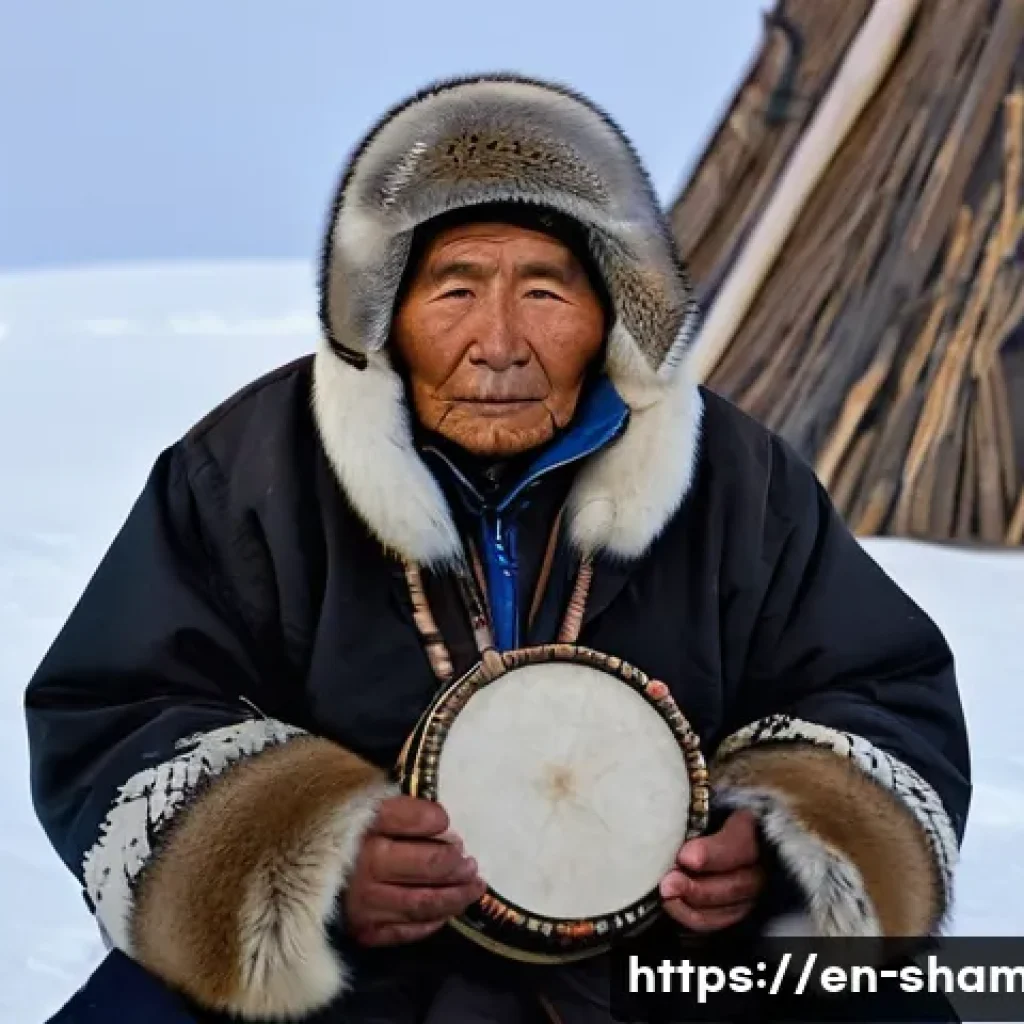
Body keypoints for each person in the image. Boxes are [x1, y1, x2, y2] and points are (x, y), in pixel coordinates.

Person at [26, 74, 970, 1024]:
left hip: (663, 978)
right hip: (358, 987)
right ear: (385, 309)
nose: (500, 344)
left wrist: (775, 849)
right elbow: (118, 707)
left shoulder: (736, 481)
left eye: (547, 290)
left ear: (615, 312)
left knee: (898, 1000)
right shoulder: (250, 472)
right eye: (456, 288)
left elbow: (879, 689)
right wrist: (308, 858)